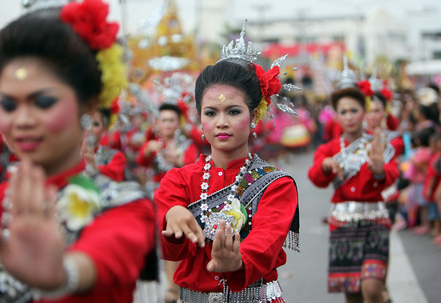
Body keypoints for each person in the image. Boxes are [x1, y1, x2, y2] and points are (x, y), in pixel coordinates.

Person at [0, 1, 156, 302]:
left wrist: (59, 275)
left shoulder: (125, 205)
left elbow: (98, 259)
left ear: (89, 103)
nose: (22, 120)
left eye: (43, 102)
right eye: (9, 105)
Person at [154, 26, 300, 303]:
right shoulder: (179, 180)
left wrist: (237, 261)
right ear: (199, 118)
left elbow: (266, 241)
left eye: (233, 111)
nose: (221, 122)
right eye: (211, 112)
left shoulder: (276, 184)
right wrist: (172, 213)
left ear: (254, 115)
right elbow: (167, 246)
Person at [308, 87, 399, 303]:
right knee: (353, 293)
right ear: (336, 115)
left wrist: (379, 169)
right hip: (342, 223)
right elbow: (315, 178)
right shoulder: (329, 148)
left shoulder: (377, 145)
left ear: (364, 112)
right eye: (343, 111)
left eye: (354, 110)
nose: (349, 116)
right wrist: (325, 166)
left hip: (375, 221)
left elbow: (393, 174)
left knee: (373, 287)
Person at [136, 102, 198, 302]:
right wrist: (147, 150)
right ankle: (170, 284)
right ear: (157, 123)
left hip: (179, 200)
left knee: (174, 238)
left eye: (172, 120)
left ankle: (173, 287)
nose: (168, 124)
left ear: (178, 123)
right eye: (163, 120)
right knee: (158, 242)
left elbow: (194, 167)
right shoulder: (154, 144)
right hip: (154, 198)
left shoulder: (186, 146)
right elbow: (140, 162)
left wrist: (179, 161)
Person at [81, 107, 127, 181]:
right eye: (86, 122)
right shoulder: (68, 154)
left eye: (95, 124)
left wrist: (94, 168)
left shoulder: (115, 157)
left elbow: (116, 174)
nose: (89, 128)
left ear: (105, 128)